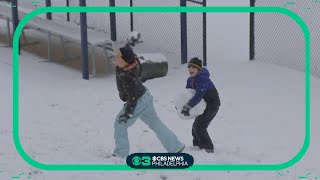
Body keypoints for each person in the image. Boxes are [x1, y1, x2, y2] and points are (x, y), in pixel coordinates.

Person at [113, 45, 185, 158]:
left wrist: (127, 113)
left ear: (124, 61)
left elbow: (133, 98)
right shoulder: (132, 64)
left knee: (120, 124)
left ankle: (120, 153)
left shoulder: (128, 76)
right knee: (155, 123)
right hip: (145, 96)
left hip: (137, 101)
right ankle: (175, 146)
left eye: (118, 56)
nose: (115, 57)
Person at [181, 57, 221, 153]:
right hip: (204, 105)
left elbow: (198, 95)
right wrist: (181, 106)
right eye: (189, 67)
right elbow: (187, 94)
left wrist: (188, 106)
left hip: (212, 105)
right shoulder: (190, 80)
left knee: (200, 126)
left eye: (193, 67)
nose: (190, 69)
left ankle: (208, 147)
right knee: (196, 126)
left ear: (199, 69)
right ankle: (197, 146)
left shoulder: (203, 79)